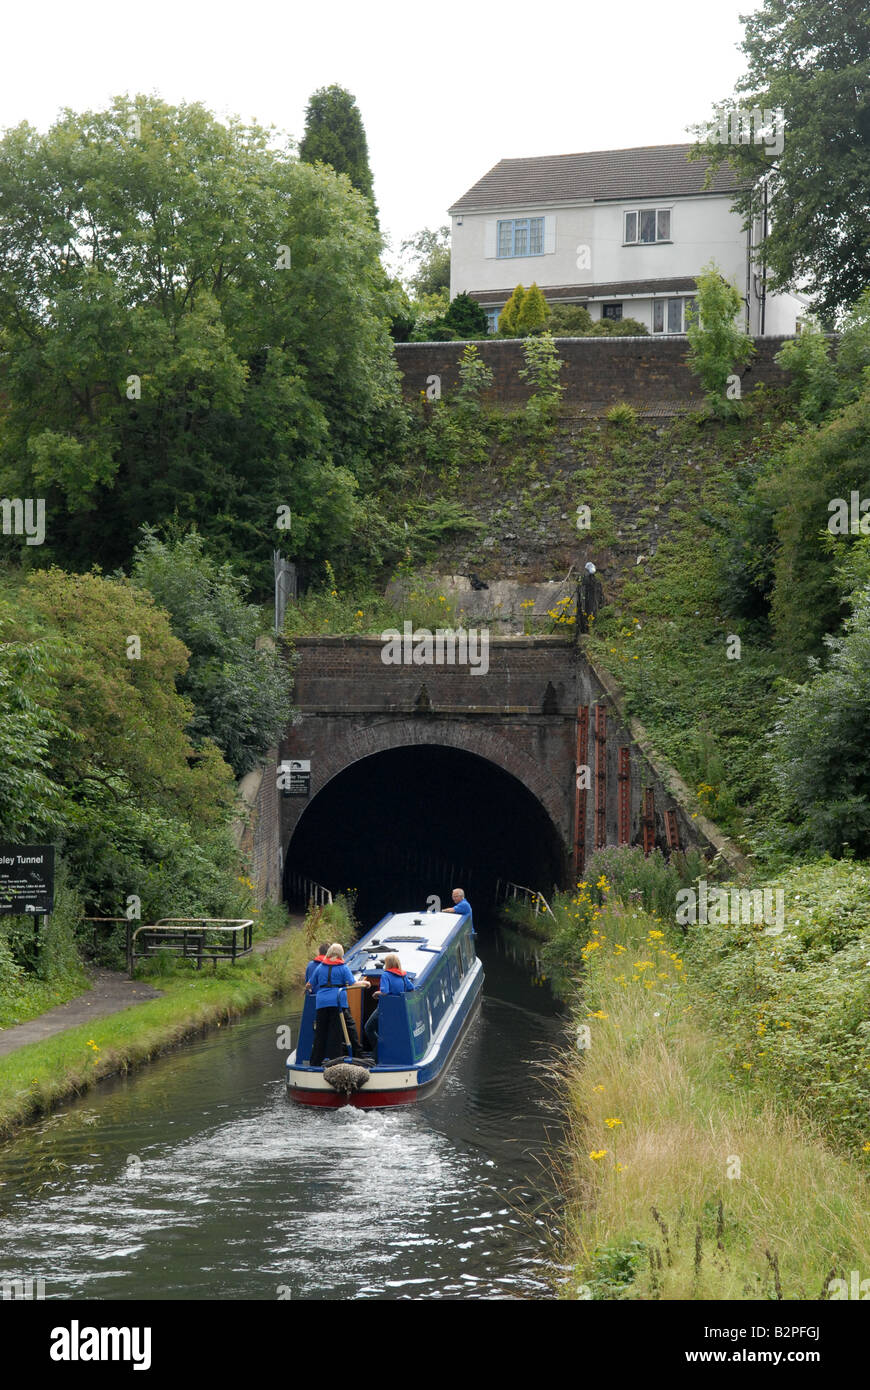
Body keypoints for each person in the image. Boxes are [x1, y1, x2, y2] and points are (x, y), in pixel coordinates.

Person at [309, 943, 370, 1067]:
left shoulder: (320, 967)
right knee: (335, 1034)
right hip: (337, 1003)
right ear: (341, 954)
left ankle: (314, 1063)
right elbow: (353, 983)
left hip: (321, 1004)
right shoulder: (343, 967)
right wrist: (366, 983)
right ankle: (335, 1063)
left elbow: (309, 984)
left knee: (320, 1034)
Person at [364, 952, 415, 1058]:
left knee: (368, 1028)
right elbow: (411, 988)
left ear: (387, 964)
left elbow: (385, 992)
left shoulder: (385, 975)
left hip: (385, 1009)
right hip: (399, 1010)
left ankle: (378, 1051)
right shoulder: (403, 976)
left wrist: (375, 993)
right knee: (391, 1034)